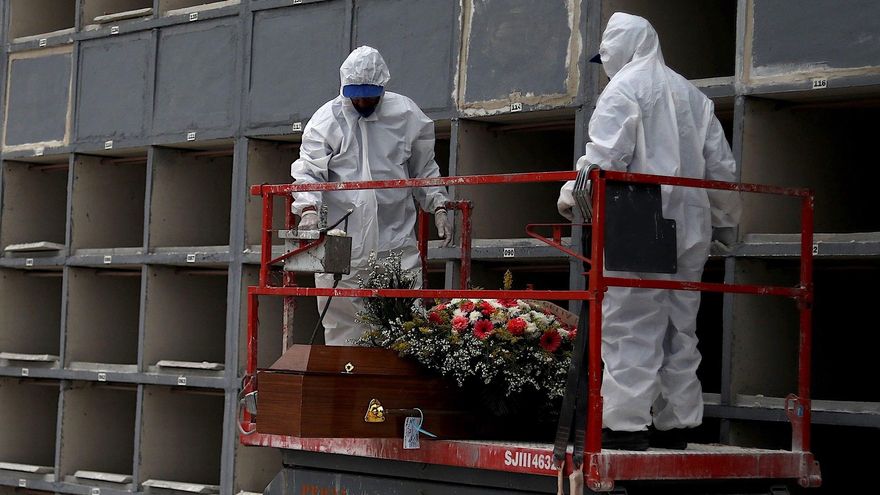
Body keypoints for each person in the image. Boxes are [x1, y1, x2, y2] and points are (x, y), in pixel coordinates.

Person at [557, 13, 742, 451]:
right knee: (680, 325)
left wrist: (570, 196)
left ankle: (624, 425)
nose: (605, 65)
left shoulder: (623, 90)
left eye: (606, 56)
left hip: (641, 222)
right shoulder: (693, 95)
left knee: (630, 322)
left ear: (621, 50)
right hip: (691, 227)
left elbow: (603, 160)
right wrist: (728, 225)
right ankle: (678, 422)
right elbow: (722, 169)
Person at [291, 45, 453, 346]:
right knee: (344, 327)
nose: (363, 100)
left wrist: (439, 205)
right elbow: (309, 170)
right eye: (356, 94)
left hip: (395, 238)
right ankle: (350, 385)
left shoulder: (405, 115)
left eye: (369, 94)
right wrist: (308, 209)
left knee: (405, 323)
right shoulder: (326, 120)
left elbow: (424, 168)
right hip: (342, 242)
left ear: (383, 86)